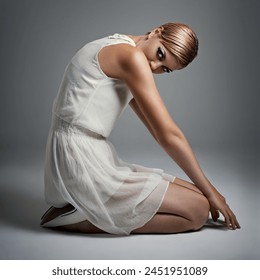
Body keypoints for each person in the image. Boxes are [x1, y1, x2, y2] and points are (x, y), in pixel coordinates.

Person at [41, 22, 240, 235]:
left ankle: (85, 207)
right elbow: (168, 135)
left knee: (197, 197)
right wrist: (212, 192)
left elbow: (156, 130)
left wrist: (206, 192)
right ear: (156, 31)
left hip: (79, 152)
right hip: (79, 159)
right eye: (160, 54)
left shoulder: (118, 44)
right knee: (198, 212)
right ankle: (84, 218)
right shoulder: (131, 57)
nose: (154, 66)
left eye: (165, 69)